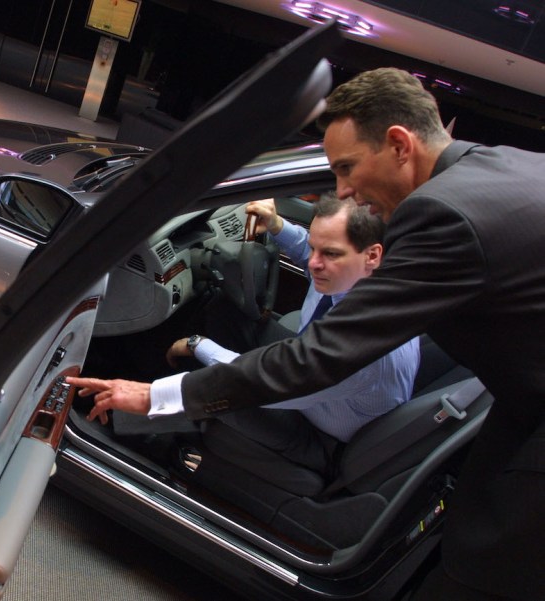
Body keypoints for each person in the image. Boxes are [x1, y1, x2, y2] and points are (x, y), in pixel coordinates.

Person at [68, 67, 545, 600]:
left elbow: (313, 359)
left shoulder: (441, 213)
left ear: (398, 144)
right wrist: (279, 231)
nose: (343, 190)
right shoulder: (507, 166)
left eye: (346, 168)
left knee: (476, 578)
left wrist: (157, 393)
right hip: (521, 400)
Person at [162, 195, 418, 477]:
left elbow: (266, 384)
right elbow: (312, 256)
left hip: (319, 435)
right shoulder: (364, 278)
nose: (314, 263)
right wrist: (276, 226)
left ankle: (150, 439)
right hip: (316, 384)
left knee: (209, 388)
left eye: (330, 254)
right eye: (314, 248)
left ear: (372, 255)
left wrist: (197, 345)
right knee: (224, 311)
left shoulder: (359, 344)